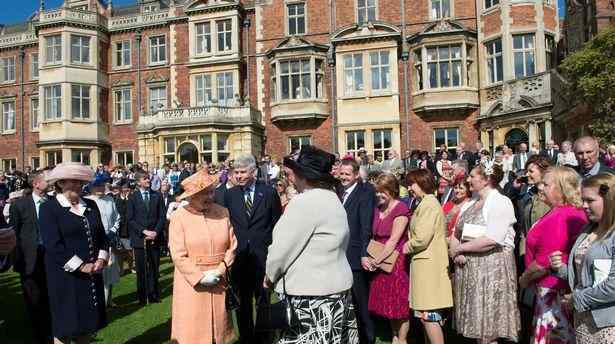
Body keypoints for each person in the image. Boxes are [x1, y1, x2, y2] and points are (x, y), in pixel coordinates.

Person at [265, 145, 358, 344]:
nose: (290, 178)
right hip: (336, 292)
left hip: (310, 296)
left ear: (303, 175)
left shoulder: (304, 203)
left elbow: (281, 250)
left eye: (293, 173)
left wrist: (269, 277)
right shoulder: (333, 198)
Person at [449, 164, 521, 343]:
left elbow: (493, 239)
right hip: (469, 269)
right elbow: (456, 233)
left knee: (489, 329)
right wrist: (455, 252)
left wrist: (461, 249)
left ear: (486, 179)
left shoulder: (500, 202)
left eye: (472, 176)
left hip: (492, 270)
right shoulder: (471, 203)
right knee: (477, 326)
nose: (468, 180)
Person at [39, 163, 109, 344]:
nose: (79, 185)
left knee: (86, 326)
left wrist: (101, 259)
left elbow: (102, 236)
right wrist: (80, 265)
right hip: (64, 278)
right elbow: (53, 245)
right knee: (64, 328)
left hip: (91, 276)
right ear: (61, 183)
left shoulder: (91, 205)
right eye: (74, 181)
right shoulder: (49, 208)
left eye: (81, 181)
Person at [519, 167, 588, 344]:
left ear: (561, 188)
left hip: (554, 294)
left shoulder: (562, 216)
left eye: (546, 184)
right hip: (557, 292)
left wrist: (524, 280)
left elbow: (544, 262)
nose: (540, 187)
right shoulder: (564, 211)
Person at [169, 169, 237, 344]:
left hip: (219, 281)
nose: (209, 196)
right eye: (203, 193)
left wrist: (221, 270)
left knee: (219, 333)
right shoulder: (179, 217)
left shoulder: (223, 212)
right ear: (191, 196)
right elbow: (178, 254)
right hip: (191, 285)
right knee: (193, 333)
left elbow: (232, 246)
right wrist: (200, 277)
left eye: (211, 191)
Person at [550, 173, 615, 343]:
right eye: (582, 199)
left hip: (608, 324)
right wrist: (560, 268)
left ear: (608, 200)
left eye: (590, 200)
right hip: (583, 322)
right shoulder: (588, 229)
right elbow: (584, 275)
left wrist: (577, 298)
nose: (584, 206)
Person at [223, 154, 282, 344]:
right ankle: (247, 338)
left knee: (263, 300)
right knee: (242, 303)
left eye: (242, 172)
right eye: (236, 172)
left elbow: (276, 225)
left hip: (262, 257)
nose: (238, 176)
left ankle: (263, 338)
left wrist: (274, 254)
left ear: (253, 172)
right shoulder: (229, 195)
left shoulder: (269, 192)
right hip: (239, 258)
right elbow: (226, 227)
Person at [402, 169, 453, 344]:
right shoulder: (424, 203)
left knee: (429, 316)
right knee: (425, 316)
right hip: (424, 267)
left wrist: (402, 247)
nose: (409, 188)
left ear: (422, 183)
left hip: (429, 268)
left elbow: (421, 239)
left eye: (412, 184)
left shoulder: (429, 204)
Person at [8, 171, 53, 343]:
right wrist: (17, 260)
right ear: (36, 184)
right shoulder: (20, 205)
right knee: (33, 297)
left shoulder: (53, 203)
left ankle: (51, 329)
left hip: (50, 257)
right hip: (29, 259)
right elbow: (14, 234)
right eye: (46, 180)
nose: (49, 182)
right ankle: (39, 334)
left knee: (49, 294)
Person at [367, 173, 410, 344]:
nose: (379, 195)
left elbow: (393, 240)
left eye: (382, 192)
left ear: (392, 190)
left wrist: (378, 260)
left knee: (399, 303)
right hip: (379, 256)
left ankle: (403, 338)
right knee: (388, 301)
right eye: (377, 192)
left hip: (395, 260)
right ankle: (394, 335)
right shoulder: (377, 208)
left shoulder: (400, 209)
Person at [338, 158, 376, 344]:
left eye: (347, 174)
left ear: (355, 175)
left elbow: (365, 226)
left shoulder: (365, 192)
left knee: (361, 303)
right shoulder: (338, 191)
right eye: (341, 173)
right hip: (339, 256)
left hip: (355, 256)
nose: (343, 177)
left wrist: (363, 253)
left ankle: (367, 339)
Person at [127, 171, 165, 304]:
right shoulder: (132, 197)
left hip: (155, 238)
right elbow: (130, 219)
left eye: (148, 178)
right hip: (139, 239)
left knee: (154, 268)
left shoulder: (157, 195)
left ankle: (154, 294)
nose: (148, 180)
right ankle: (142, 297)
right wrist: (144, 231)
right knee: (141, 269)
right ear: (138, 182)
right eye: (145, 179)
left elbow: (162, 216)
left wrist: (155, 232)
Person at [86, 175, 122, 308]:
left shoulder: (110, 200)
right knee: (98, 271)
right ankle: (97, 301)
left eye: (102, 185)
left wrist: (112, 231)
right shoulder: (88, 201)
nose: (100, 188)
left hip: (109, 240)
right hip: (96, 242)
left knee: (110, 271)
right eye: (97, 186)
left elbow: (117, 218)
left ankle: (109, 299)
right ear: (91, 187)